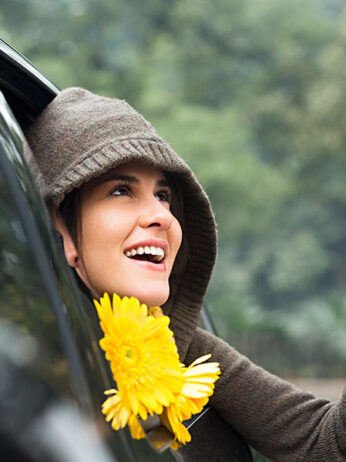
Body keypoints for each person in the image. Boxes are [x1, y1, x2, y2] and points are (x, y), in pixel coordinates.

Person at [25, 87, 346, 462]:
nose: (162, 215)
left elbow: (326, 444)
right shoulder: (28, 356)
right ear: (57, 226)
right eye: (120, 191)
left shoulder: (190, 351)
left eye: (163, 195)